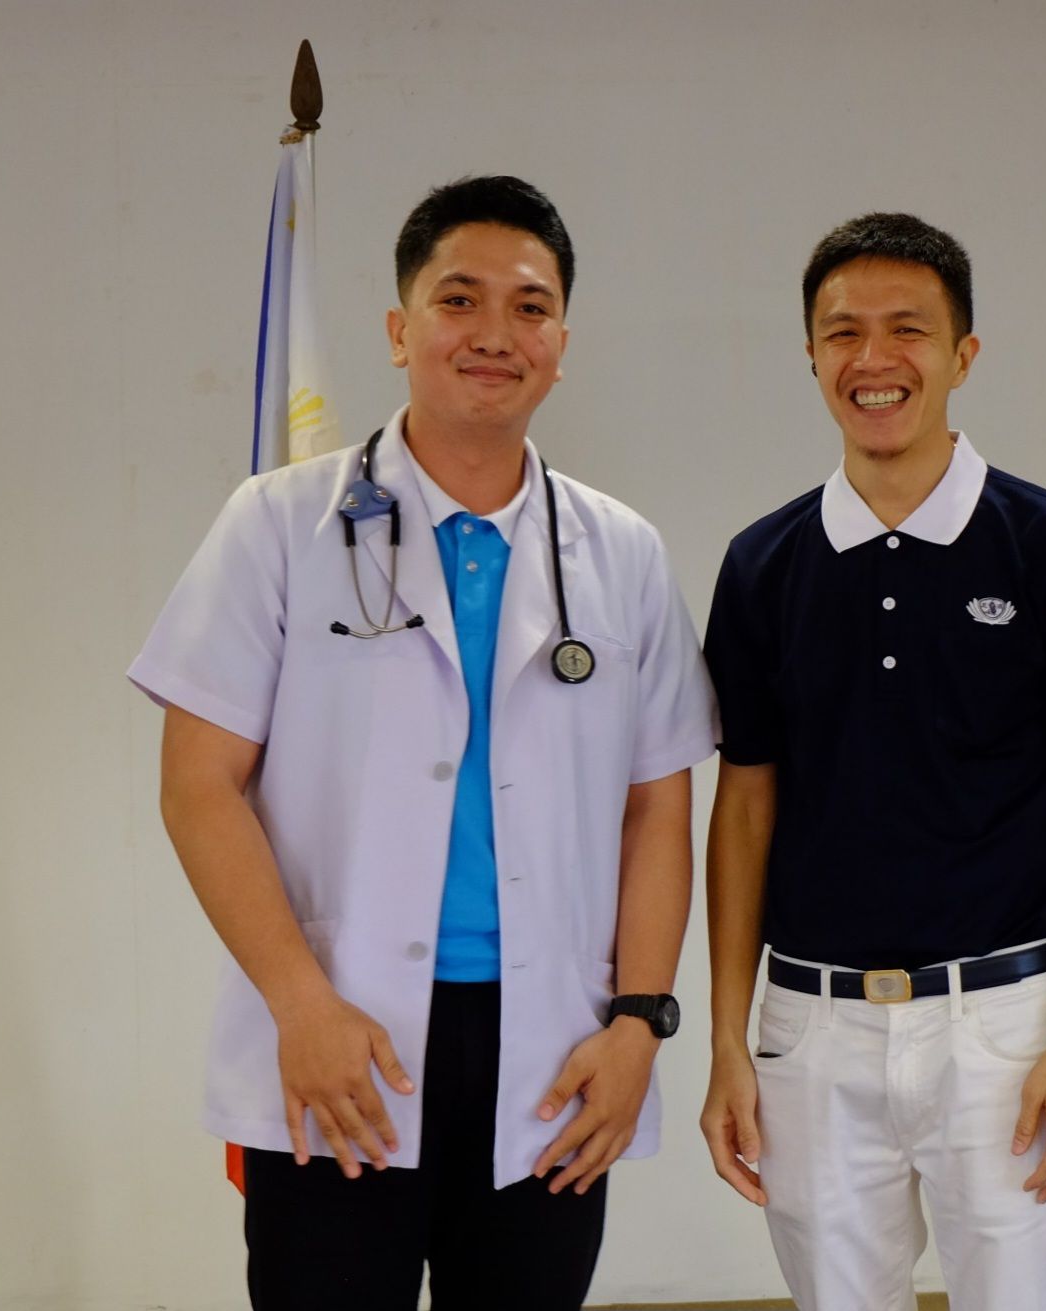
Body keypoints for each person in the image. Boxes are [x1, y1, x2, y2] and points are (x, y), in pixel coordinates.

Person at [129, 175, 715, 1310]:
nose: (495, 333)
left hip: (553, 1055)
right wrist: (299, 1004)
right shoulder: (276, 524)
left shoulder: (623, 552)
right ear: (400, 331)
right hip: (338, 1045)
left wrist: (641, 1022)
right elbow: (199, 788)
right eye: (459, 299)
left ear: (561, 344)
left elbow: (659, 807)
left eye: (530, 307)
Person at [698, 212, 1046, 1311]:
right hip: (808, 1033)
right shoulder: (762, 566)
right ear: (810, 355)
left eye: (906, 330)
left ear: (962, 354)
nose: (872, 360)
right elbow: (742, 816)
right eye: (840, 332)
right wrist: (728, 1041)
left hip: (1004, 1030)